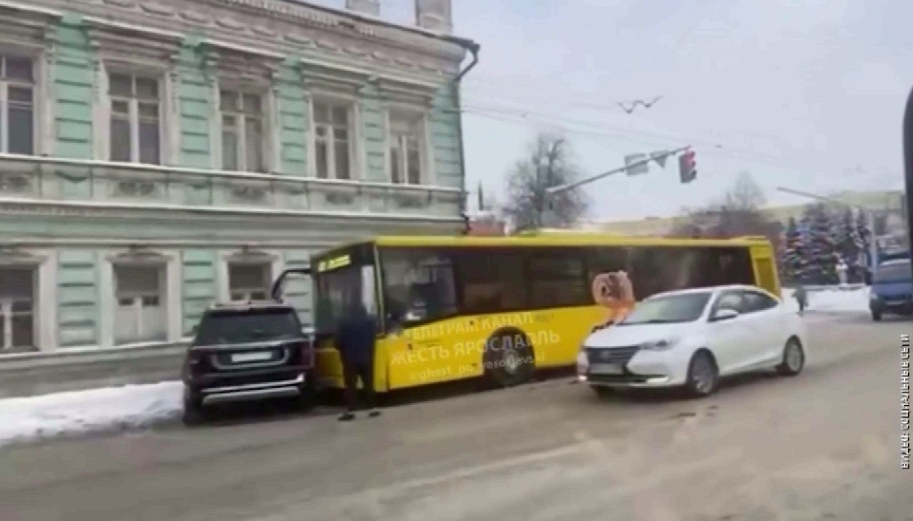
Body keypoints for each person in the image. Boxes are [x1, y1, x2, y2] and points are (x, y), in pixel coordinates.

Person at [333, 297, 381, 421]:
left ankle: (350, 410)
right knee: (369, 383)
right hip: (367, 356)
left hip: (349, 359)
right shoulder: (370, 320)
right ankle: (372, 407)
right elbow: (374, 337)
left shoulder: (343, 322)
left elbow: (337, 342)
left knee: (350, 385)